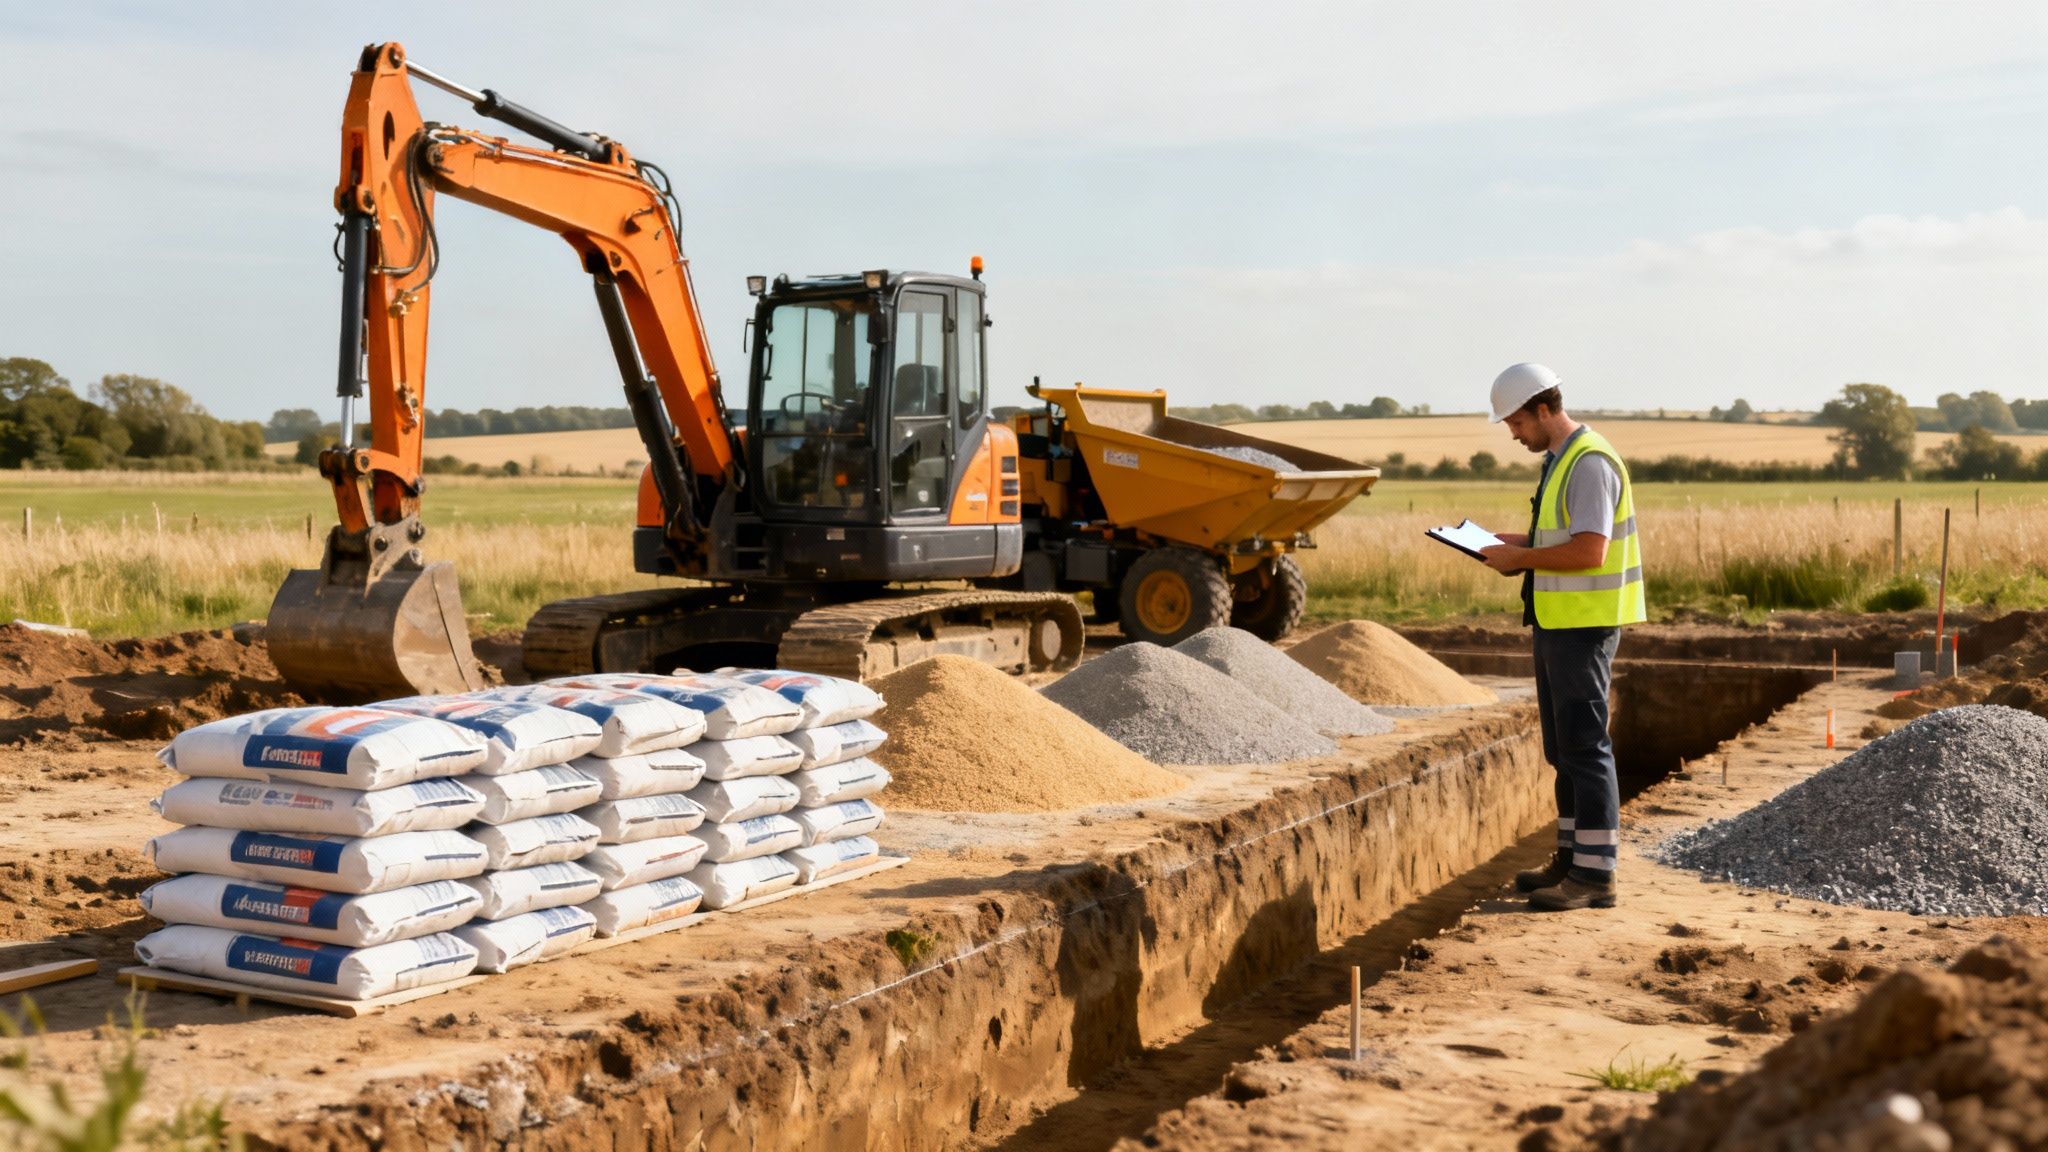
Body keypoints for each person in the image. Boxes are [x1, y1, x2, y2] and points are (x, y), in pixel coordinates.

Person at [1476, 364, 1645, 911]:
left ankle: (1596, 878)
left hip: (1583, 625)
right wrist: (1519, 542)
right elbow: (1567, 537)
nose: (1513, 433)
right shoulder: (1560, 461)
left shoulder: (1588, 463)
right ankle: (1572, 860)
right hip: (1556, 621)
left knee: (1586, 749)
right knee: (1563, 749)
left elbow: (1590, 551)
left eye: (1517, 421)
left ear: (1544, 410)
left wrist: (1520, 557)